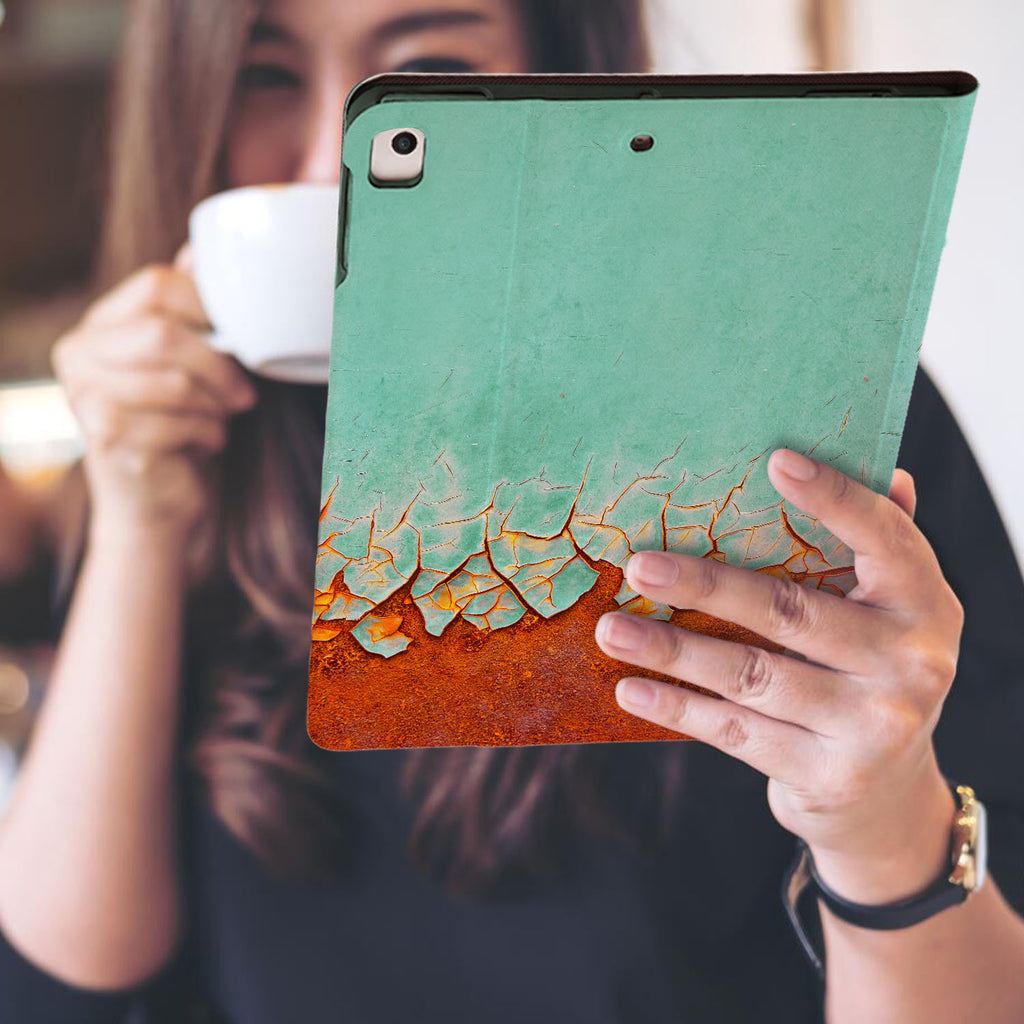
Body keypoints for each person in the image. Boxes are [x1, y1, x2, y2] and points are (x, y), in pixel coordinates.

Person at [1, 1, 1023, 1022]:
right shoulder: (173, 444)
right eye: (267, 77)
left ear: (567, 79)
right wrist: (136, 520)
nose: (330, 163)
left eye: (426, 70)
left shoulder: (807, 421)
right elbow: (67, 986)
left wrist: (882, 823)